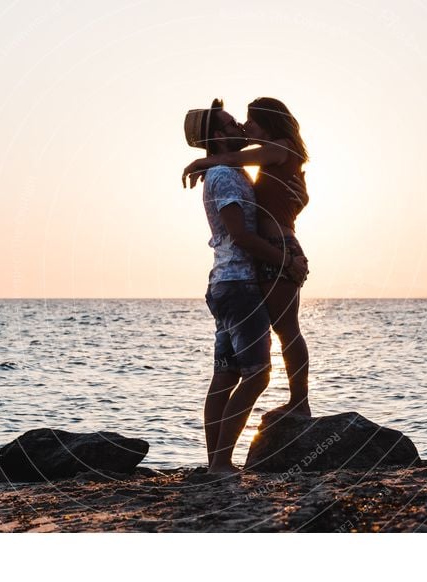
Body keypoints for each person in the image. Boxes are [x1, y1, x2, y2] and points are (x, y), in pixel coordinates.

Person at [184, 99, 309, 474]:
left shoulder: (250, 162)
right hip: (240, 281)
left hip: (235, 278)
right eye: (234, 123)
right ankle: (220, 462)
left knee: (229, 373)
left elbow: (251, 162)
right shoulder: (227, 174)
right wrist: (285, 260)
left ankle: (218, 462)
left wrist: (206, 161)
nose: (241, 126)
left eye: (248, 121)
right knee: (256, 372)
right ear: (220, 136)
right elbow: (240, 235)